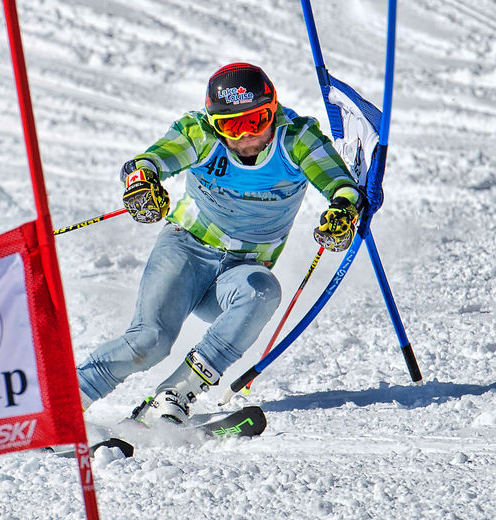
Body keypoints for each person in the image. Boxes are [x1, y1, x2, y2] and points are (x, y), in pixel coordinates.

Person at [76, 62, 361, 425]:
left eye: (255, 121)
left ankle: (175, 393)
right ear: (215, 123)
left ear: (273, 110)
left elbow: (342, 185)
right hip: (186, 252)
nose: (245, 136)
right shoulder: (200, 134)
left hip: (240, 271)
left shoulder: (296, 139)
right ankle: (70, 398)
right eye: (231, 125)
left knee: (262, 291)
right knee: (151, 340)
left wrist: (343, 210)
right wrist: (141, 182)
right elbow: (148, 162)